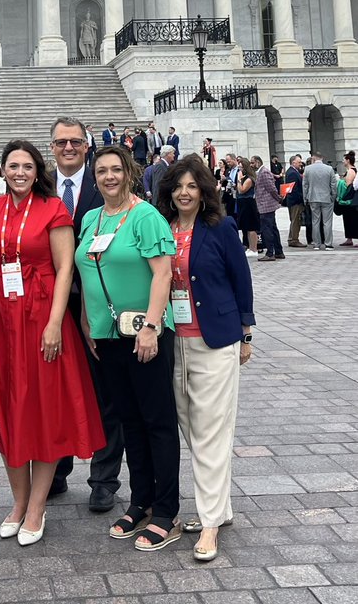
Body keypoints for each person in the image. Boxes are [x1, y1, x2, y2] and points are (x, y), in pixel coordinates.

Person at [0, 139, 105, 546]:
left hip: (41, 318)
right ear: (2, 170)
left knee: (44, 410)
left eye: (27, 167)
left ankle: (37, 506)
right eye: (13, 165)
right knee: (8, 410)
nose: (20, 173)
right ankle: (18, 503)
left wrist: (55, 323)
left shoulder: (54, 209)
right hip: (0, 321)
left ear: (39, 171)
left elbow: (66, 267)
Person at [76, 144, 180, 551]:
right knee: (129, 422)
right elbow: (88, 272)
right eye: (101, 171)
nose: (109, 177)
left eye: (116, 169)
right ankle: (141, 502)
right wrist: (87, 321)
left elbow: (163, 274)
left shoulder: (145, 216)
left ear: (129, 172)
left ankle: (167, 510)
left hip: (144, 333)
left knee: (157, 421)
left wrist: (152, 325)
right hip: (106, 336)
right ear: (94, 177)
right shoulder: (91, 218)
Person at [156, 155, 254, 562]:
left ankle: (209, 523)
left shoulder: (221, 228)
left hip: (215, 341)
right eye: (178, 185)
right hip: (173, 342)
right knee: (195, 432)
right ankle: (222, 508)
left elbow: (240, 279)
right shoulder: (161, 228)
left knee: (211, 432)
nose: (184, 192)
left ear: (204, 191)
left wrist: (247, 332)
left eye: (192, 186)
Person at [47, 115, 125, 512]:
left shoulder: (106, 183)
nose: (68, 148)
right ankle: (56, 471)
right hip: (53, 308)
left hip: (100, 303)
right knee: (59, 389)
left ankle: (104, 479)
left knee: (105, 391)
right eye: (61, 142)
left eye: (75, 142)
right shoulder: (40, 184)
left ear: (87, 144)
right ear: (52, 146)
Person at [303, 152, 338, 249]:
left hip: (313, 198)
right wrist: (333, 196)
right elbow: (333, 184)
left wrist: (305, 197)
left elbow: (305, 185)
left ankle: (316, 244)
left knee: (315, 221)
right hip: (327, 198)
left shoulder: (308, 169)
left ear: (313, 158)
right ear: (322, 158)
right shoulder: (329, 169)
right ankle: (328, 243)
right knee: (327, 221)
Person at [253, 157, 285, 262]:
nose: (251, 165)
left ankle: (270, 253)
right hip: (265, 205)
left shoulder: (264, 172)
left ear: (258, 162)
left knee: (267, 230)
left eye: (252, 163)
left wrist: (279, 198)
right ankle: (279, 251)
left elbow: (271, 188)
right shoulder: (261, 172)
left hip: (266, 206)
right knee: (273, 228)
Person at [235, 158, 259, 257]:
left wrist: (239, 179)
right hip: (242, 203)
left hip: (248, 203)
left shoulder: (249, 179)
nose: (240, 170)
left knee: (251, 227)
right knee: (246, 227)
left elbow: (242, 190)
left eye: (241, 167)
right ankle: (250, 247)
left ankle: (254, 248)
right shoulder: (244, 177)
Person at [284, 155, 305, 246]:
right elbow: (293, 190)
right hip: (295, 202)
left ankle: (292, 238)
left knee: (295, 220)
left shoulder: (293, 171)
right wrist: (301, 198)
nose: (301, 164)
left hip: (294, 201)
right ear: (293, 162)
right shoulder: (292, 173)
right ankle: (294, 239)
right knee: (295, 220)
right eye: (299, 162)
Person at [339, 152, 358, 245]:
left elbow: (348, 185)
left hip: (349, 198)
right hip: (349, 198)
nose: (343, 161)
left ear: (348, 160)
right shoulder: (350, 170)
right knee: (347, 218)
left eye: (344, 159)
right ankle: (349, 238)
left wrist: (340, 182)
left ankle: (352, 237)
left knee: (352, 218)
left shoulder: (351, 171)